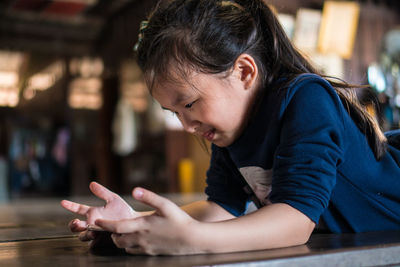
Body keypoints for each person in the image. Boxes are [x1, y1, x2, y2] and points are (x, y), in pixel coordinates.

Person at [61, 0, 400, 255]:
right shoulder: (229, 129)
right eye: (174, 112)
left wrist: (191, 241)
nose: (187, 124)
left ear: (244, 72)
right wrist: (134, 222)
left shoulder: (305, 98)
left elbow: (295, 221)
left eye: (189, 104)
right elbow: (220, 207)